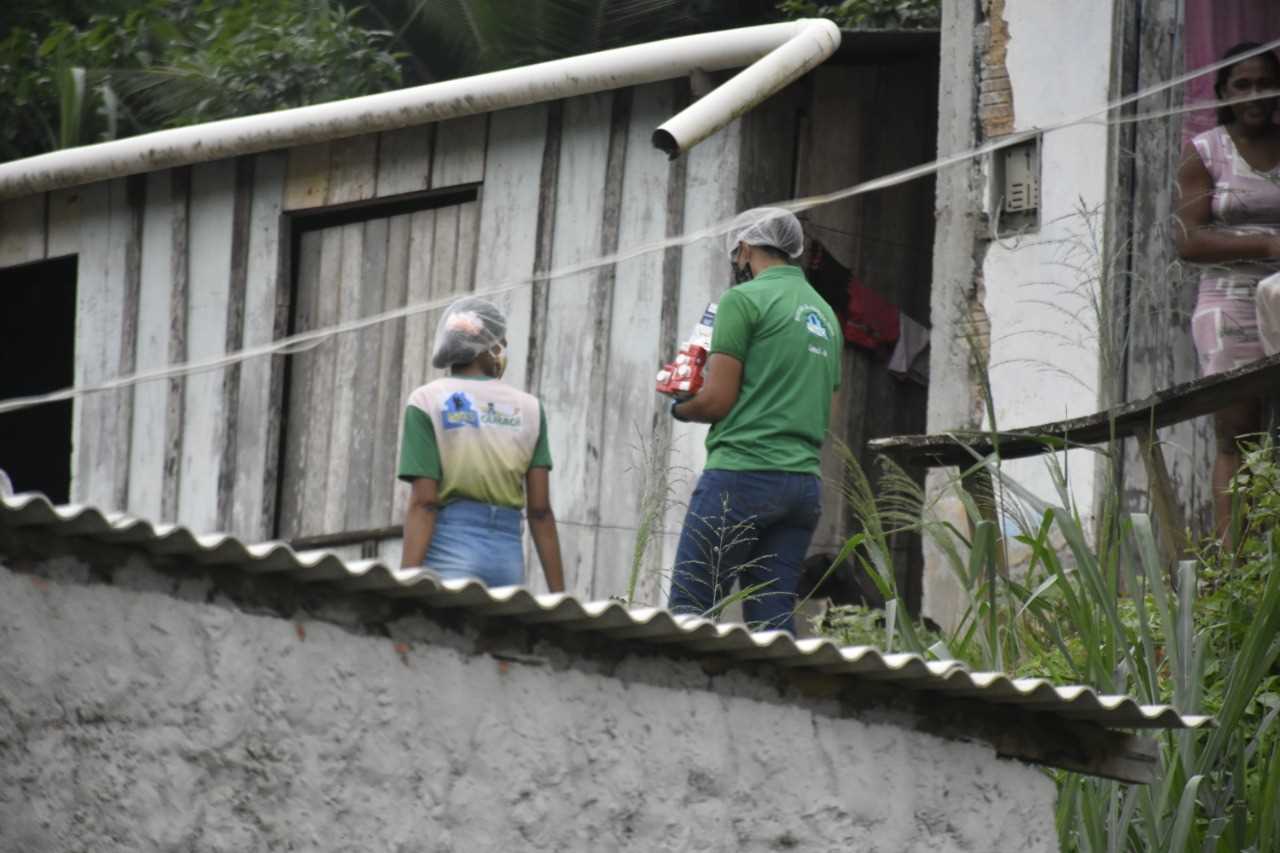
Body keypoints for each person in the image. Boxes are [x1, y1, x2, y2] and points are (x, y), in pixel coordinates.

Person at [666, 207, 841, 633]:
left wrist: (681, 404)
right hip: (801, 486)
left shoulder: (742, 301)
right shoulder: (827, 316)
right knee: (772, 623)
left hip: (741, 476)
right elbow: (826, 410)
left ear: (745, 249)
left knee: (691, 611)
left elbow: (717, 402)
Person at [1175, 42, 1280, 538]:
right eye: (1243, 84)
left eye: (1266, 81)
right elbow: (1187, 241)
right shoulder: (1204, 151)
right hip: (1230, 305)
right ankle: (1233, 570)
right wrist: (1268, 244)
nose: (1256, 93)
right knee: (1237, 437)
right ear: (1223, 92)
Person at [399, 297, 565, 592]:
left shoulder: (426, 401)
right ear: (489, 347)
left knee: (444, 637)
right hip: (508, 555)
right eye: (502, 343)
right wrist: (559, 595)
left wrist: (404, 587)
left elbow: (424, 503)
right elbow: (540, 511)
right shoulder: (529, 408)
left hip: (450, 549)